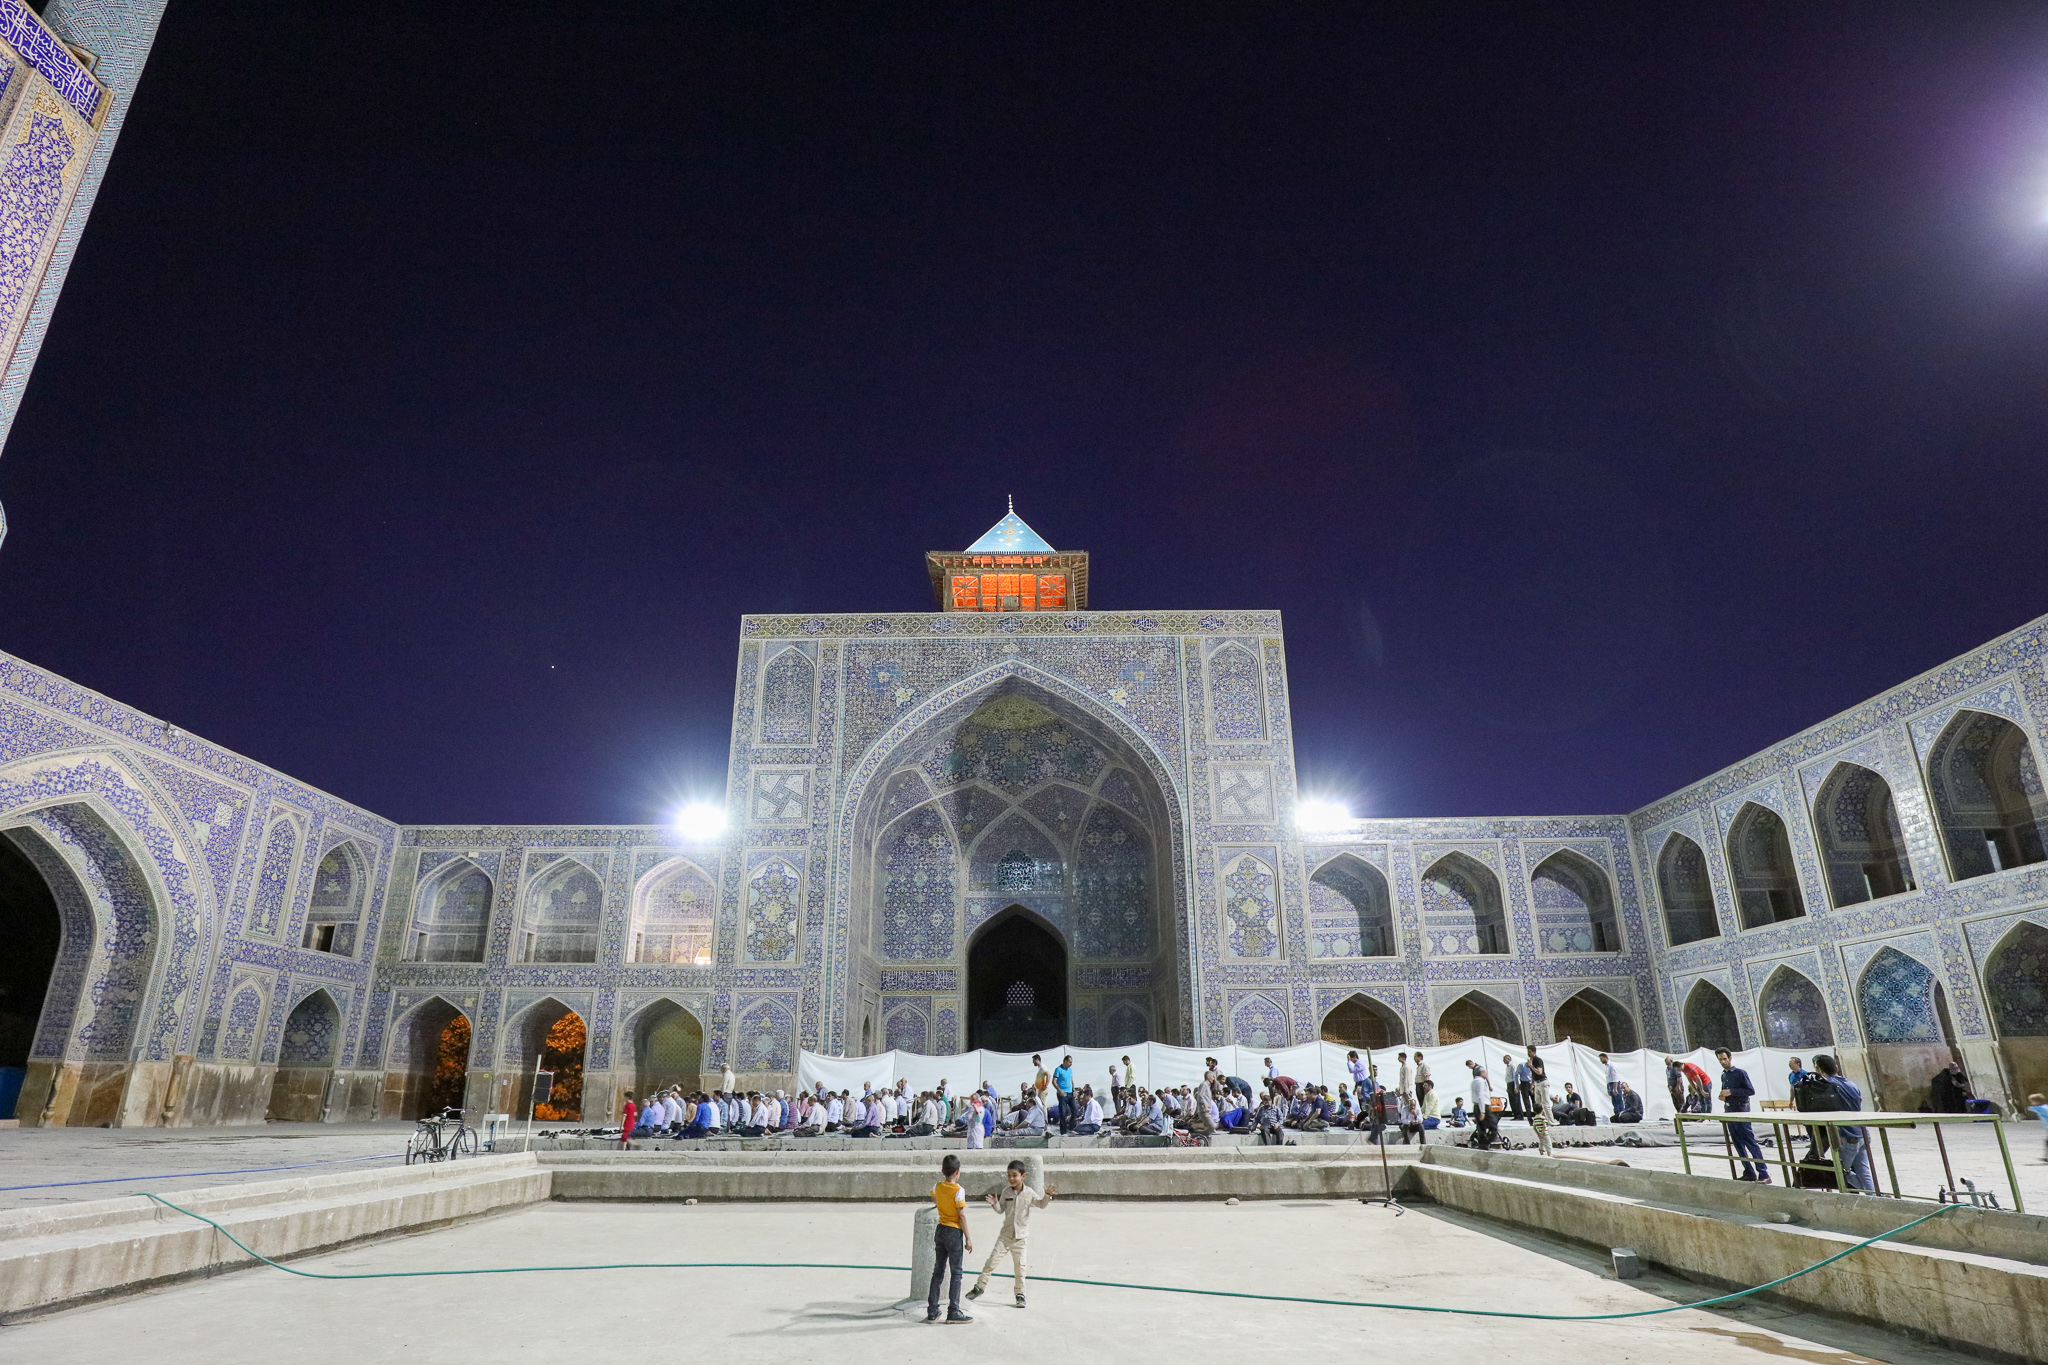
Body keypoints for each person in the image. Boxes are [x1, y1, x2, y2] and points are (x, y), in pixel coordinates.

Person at [967, 1160, 1056, 1309]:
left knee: (1020, 1268)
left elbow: (1041, 1205)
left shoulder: (1029, 1193)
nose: (1011, 1178)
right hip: (1005, 1236)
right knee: (991, 1262)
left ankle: (1020, 1294)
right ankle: (979, 1287)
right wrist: (995, 1204)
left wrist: (1047, 1196)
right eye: (1009, 1175)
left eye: (1015, 1175)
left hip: (1020, 1238)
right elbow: (1000, 1210)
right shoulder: (1006, 1192)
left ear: (1023, 1176)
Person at [926, 1153, 975, 1324]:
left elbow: (934, 1198)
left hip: (940, 1230)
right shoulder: (959, 1191)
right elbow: (961, 1215)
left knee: (938, 1271)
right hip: (954, 1232)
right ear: (958, 1172)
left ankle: (932, 1310)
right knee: (956, 1273)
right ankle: (953, 1310)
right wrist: (968, 1238)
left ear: (943, 1171)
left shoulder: (938, 1186)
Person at [1813, 1054, 1873, 1191]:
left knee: (1841, 1172)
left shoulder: (1827, 1086)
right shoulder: (1851, 1084)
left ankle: (1871, 1193)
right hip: (1862, 1132)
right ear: (1837, 1067)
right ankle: (1875, 1198)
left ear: (1819, 1069)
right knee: (1863, 1171)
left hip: (1848, 1136)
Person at [1715, 1048, 1768, 1183]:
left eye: (1724, 1059)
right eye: (1720, 1059)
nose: (1723, 1062)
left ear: (1730, 1058)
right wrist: (1724, 1096)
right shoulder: (1724, 1075)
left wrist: (1731, 1092)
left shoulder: (1740, 1073)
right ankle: (1748, 1171)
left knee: (1749, 1141)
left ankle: (1763, 1173)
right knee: (1738, 1143)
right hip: (1730, 1110)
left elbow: (1750, 1090)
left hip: (1741, 1110)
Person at [1053, 1055, 1077, 1135]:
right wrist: (1059, 1090)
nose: (1071, 1064)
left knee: (1075, 1109)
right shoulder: (1058, 1069)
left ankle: (1071, 1126)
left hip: (1070, 1093)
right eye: (1069, 1062)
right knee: (1063, 1112)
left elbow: (1071, 1080)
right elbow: (1054, 1081)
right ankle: (1063, 1131)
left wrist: (1074, 1090)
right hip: (1062, 1094)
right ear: (1065, 1061)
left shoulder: (1070, 1070)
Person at [1600, 1053, 1623, 1118]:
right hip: (1610, 1084)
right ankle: (1616, 1115)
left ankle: (1621, 1114)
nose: (1601, 1060)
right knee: (1614, 1101)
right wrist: (1608, 1088)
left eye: (1601, 1059)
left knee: (1618, 1101)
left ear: (1605, 1058)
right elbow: (1608, 1078)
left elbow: (1615, 1077)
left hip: (1615, 1084)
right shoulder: (1607, 1066)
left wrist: (1615, 1088)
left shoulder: (1612, 1065)